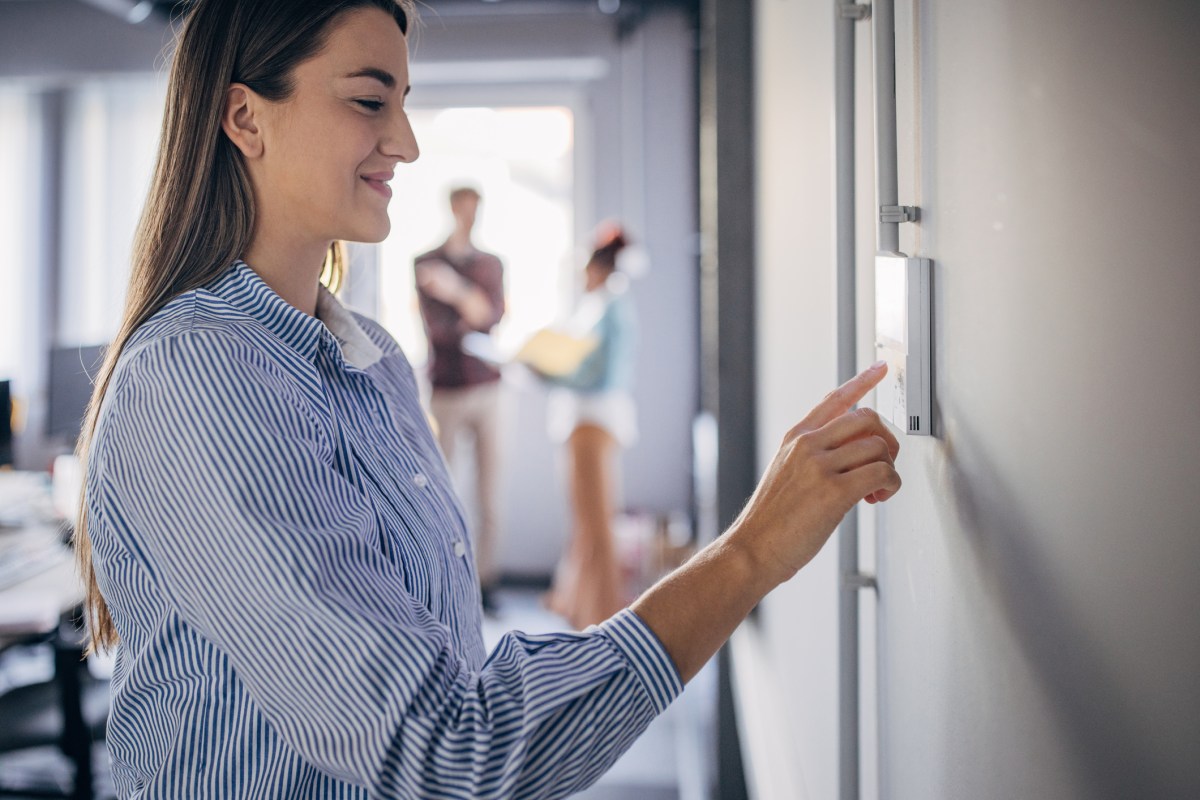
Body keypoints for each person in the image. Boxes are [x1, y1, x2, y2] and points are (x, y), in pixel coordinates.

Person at [72, 1, 902, 797]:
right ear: (244, 118)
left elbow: (448, 672)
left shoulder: (373, 360)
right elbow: (449, 750)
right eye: (369, 100)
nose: (404, 143)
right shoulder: (195, 376)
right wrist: (749, 555)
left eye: (403, 104)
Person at [538, 224, 639, 629]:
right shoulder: (599, 305)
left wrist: (545, 369)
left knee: (596, 527)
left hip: (593, 423)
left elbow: (595, 373)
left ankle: (603, 619)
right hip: (586, 423)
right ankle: (580, 609)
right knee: (584, 525)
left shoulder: (610, 307)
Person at [414, 187, 506, 611]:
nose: (470, 216)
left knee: (491, 493)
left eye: (476, 209)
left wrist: (454, 292)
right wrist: (469, 308)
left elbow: (490, 316)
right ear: (452, 208)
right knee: (441, 488)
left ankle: (486, 582)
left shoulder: (491, 264)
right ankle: (446, 580)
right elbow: (439, 331)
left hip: (488, 387)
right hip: (447, 389)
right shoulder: (425, 262)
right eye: (464, 208)